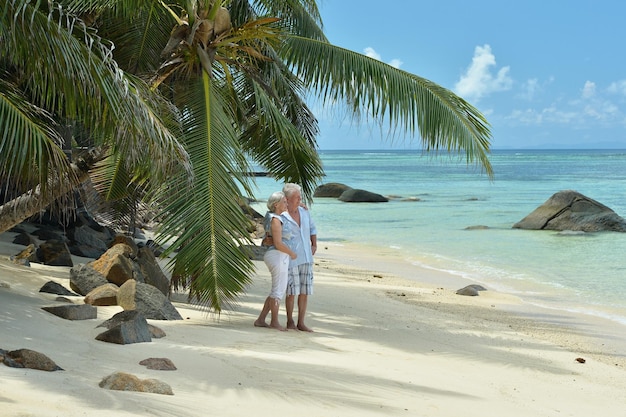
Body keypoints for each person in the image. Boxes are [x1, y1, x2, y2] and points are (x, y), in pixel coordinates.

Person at [254, 192, 298, 331]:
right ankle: (274, 321)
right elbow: (278, 243)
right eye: (284, 202)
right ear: (276, 205)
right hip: (278, 255)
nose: (287, 204)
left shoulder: (273, 217)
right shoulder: (276, 220)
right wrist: (292, 253)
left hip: (277, 255)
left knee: (276, 290)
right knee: (277, 291)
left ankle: (261, 319)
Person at [281, 183, 317, 332]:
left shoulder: (304, 212)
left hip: (307, 257)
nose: (299, 200)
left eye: (299, 197)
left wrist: (314, 244)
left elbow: (312, 228)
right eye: (296, 197)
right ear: (287, 199)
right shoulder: (281, 216)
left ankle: (301, 323)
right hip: (291, 259)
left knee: (304, 291)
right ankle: (290, 321)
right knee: (291, 292)